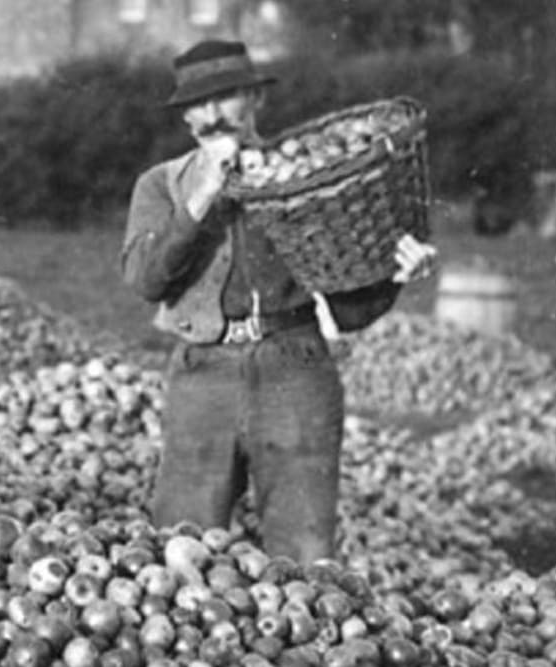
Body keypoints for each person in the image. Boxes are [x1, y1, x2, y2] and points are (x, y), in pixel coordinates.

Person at [121, 40, 438, 562]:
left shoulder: (306, 181)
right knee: (179, 549)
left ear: (255, 101)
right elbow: (145, 281)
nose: (211, 115)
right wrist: (201, 199)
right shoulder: (162, 185)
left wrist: (395, 277)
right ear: (185, 119)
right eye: (197, 105)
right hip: (202, 375)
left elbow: (348, 310)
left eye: (225, 98)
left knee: (304, 551)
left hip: (295, 369)